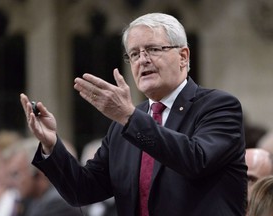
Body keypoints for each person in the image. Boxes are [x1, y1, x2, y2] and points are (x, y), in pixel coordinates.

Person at [20, 12, 247, 216]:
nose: (143, 60)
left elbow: (195, 160)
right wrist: (51, 145)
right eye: (134, 54)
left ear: (183, 56)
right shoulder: (125, 123)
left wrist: (129, 118)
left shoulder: (219, 106)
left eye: (153, 49)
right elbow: (82, 191)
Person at [4, 136, 83, 216]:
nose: (11, 182)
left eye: (16, 174)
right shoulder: (33, 201)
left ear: (38, 172)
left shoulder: (58, 203)